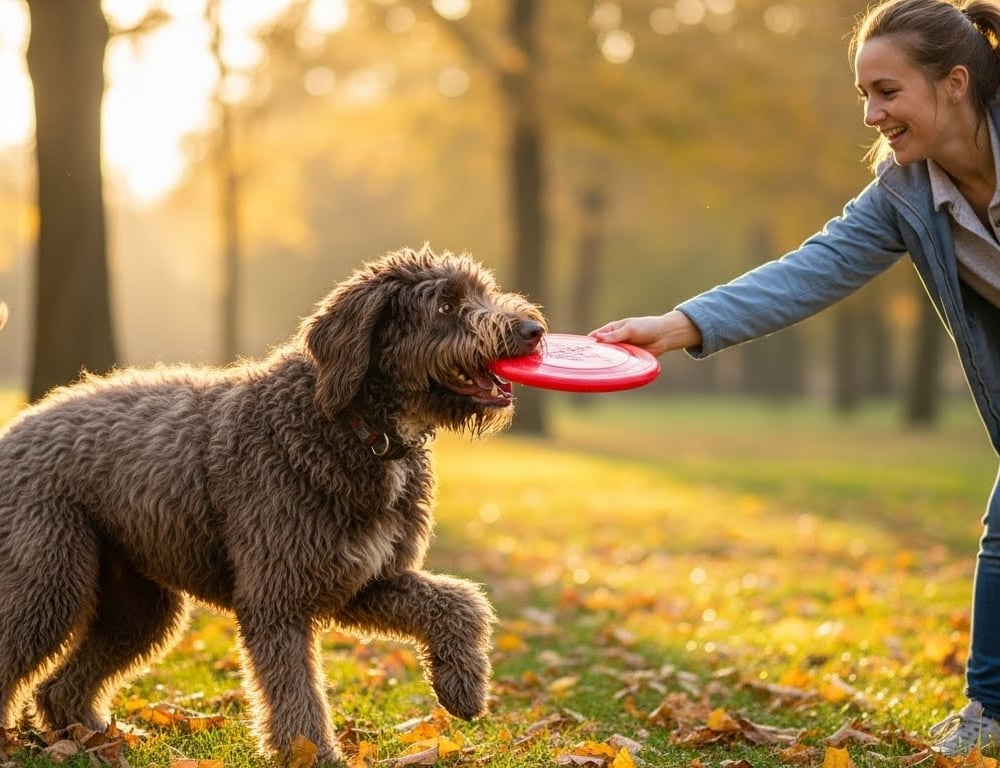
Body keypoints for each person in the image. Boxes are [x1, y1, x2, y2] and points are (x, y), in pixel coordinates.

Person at [591, 0, 1000, 756]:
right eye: (863, 97)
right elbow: (811, 270)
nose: (873, 115)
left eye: (888, 91)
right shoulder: (906, 195)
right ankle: (988, 711)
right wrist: (678, 327)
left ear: (954, 83)